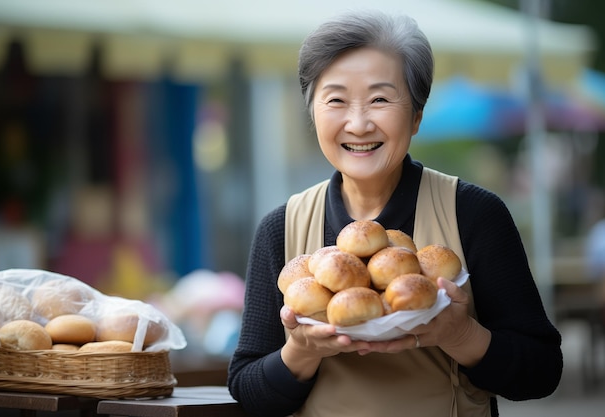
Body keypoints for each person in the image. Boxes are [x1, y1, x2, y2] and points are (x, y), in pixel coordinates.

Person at [227, 10, 562, 417]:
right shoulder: (282, 228)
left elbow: (542, 373)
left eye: (380, 99)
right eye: (335, 100)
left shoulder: (474, 214)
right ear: (313, 113)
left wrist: (460, 335)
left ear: (417, 115)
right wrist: (300, 350)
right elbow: (248, 389)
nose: (358, 122)